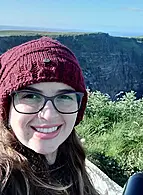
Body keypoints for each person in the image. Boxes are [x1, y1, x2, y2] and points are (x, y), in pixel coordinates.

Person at [0, 37, 101, 195]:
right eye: (31, 96)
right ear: (6, 107)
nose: (48, 115)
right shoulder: (4, 178)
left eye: (64, 97)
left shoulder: (71, 159)